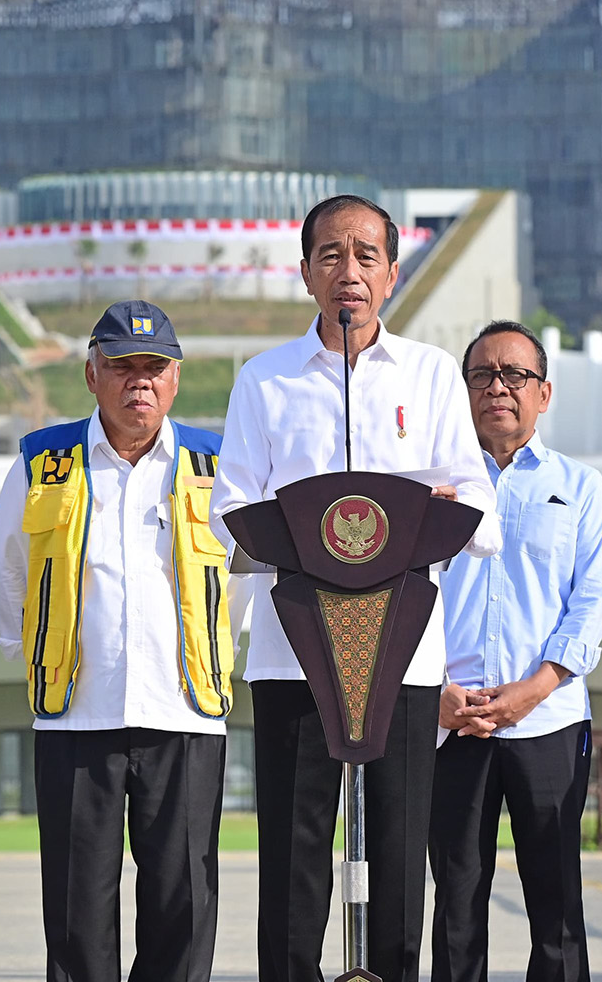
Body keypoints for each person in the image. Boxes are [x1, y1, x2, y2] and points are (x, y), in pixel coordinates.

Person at [211, 194, 500, 982]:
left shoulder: (434, 376)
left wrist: (426, 516)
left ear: (393, 274)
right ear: (305, 272)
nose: (349, 273)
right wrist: (302, 530)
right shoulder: (263, 382)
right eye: (331, 255)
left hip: (403, 656)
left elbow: (481, 514)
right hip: (293, 653)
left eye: (366, 256)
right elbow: (227, 509)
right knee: (295, 859)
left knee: (404, 861)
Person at [0, 300, 233, 982]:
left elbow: (246, 576)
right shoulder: (44, 459)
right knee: (76, 908)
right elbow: (5, 564)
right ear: (92, 375)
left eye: (154, 368)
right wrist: (30, 650)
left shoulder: (216, 462)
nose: (139, 383)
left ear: (176, 379)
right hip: (76, 713)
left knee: (181, 902)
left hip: (183, 712)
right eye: (122, 367)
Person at [430, 321, 602, 982]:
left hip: (548, 719)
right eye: (483, 375)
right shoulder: (434, 489)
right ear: (464, 391)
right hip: (453, 722)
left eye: (515, 375)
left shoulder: (581, 488)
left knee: (556, 901)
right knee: (455, 905)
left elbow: (590, 603)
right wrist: (437, 695)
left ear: (545, 392)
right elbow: (404, 597)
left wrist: (534, 688)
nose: (498, 388)